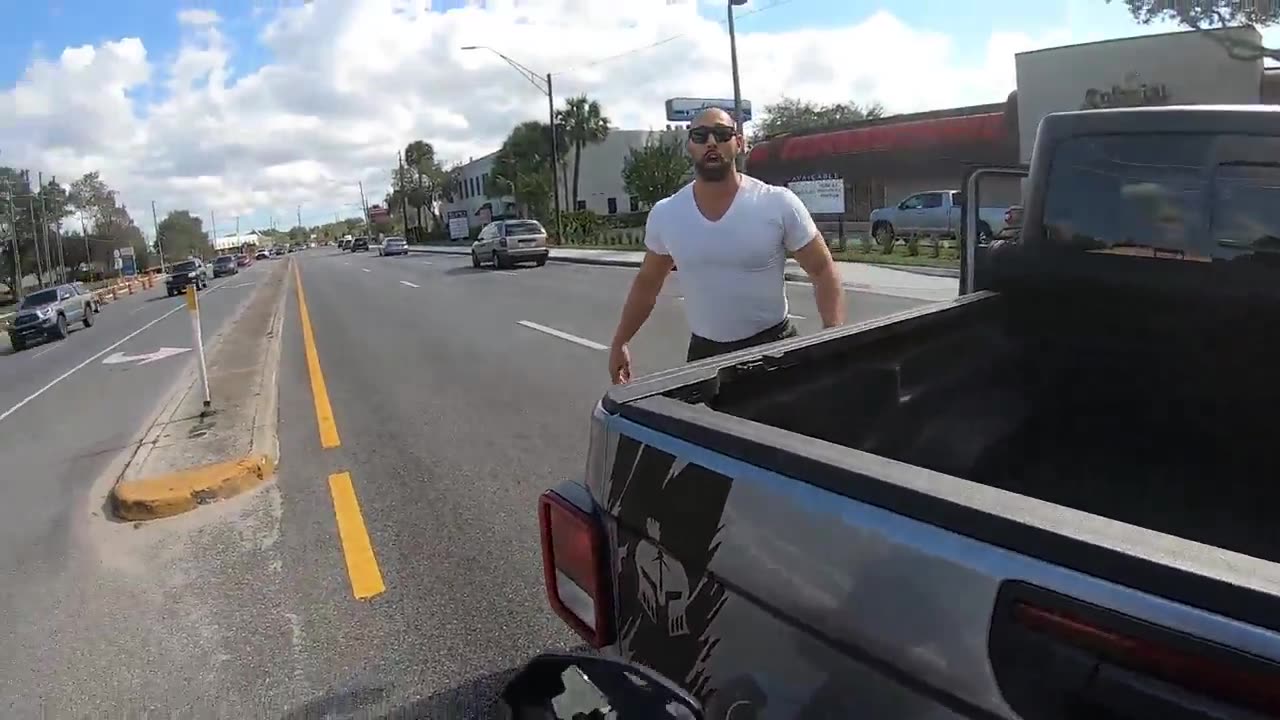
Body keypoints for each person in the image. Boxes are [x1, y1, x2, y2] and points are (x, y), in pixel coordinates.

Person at [608, 107, 845, 384]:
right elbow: (648, 283)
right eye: (700, 135)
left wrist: (833, 334)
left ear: (739, 144)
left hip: (774, 350)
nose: (711, 142)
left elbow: (822, 269)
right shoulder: (667, 213)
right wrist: (620, 342)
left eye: (722, 134)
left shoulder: (777, 203)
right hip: (705, 358)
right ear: (690, 146)